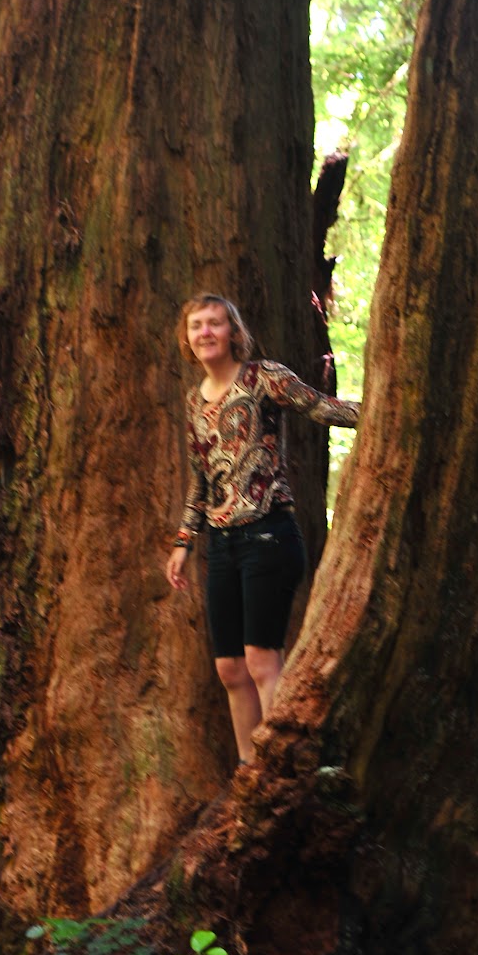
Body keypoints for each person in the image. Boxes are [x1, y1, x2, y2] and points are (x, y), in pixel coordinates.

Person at [165, 293, 360, 764]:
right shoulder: (194, 401)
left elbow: (320, 407)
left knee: (260, 660)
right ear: (188, 339)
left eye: (215, 323)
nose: (206, 332)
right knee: (231, 669)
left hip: (269, 533)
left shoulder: (263, 378)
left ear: (233, 332)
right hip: (223, 546)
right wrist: (183, 543)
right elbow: (201, 479)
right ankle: (249, 775)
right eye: (197, 326)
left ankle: (278, 770)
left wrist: (383, 412)